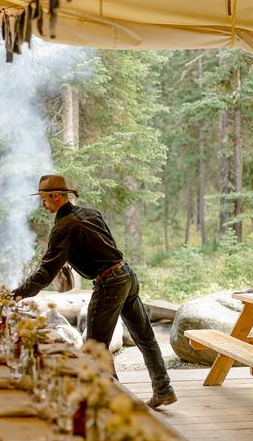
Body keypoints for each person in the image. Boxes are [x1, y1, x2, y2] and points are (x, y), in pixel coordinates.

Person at [12, 174, 177, 409]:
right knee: (146, 337)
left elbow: (45, 273)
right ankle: (163, 389)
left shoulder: (63, 228)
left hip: (109, 283)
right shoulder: (90, 213)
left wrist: (15, 295)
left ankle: (117, 403)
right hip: (127, 275)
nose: (43, 203)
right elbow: (102, 244)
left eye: (44, 198)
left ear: (57, 196)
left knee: (95, 348)